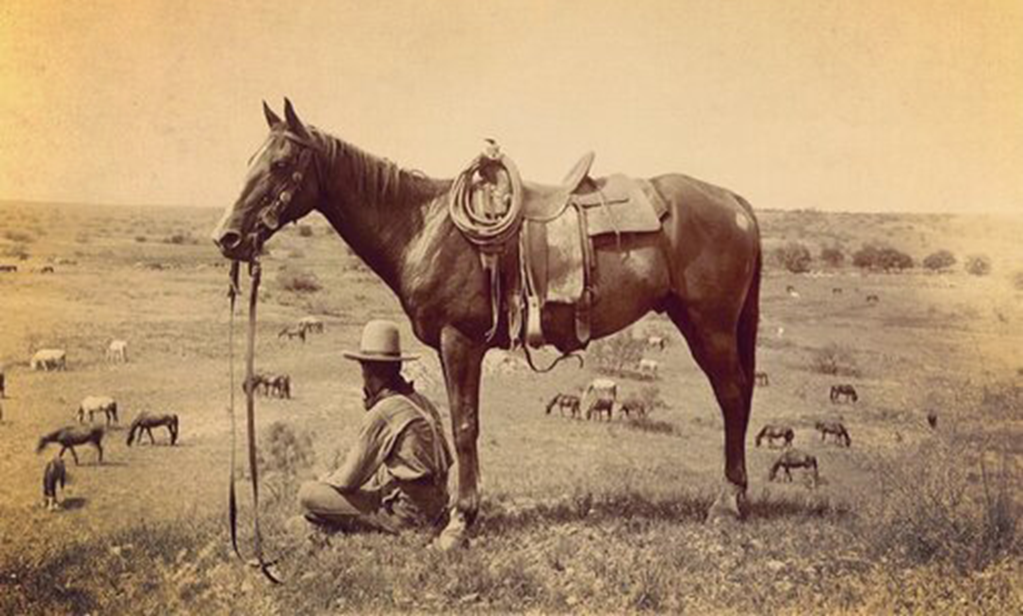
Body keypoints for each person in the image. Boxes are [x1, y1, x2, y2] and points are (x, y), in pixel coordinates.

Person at [296, 319, 452, 535]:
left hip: (407, 515)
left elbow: (349, 480)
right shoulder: (422, 402)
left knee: (308, 493)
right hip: (438, 509)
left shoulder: (385, 410)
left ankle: (337, 525)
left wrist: (325, 480)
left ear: (367, 371)